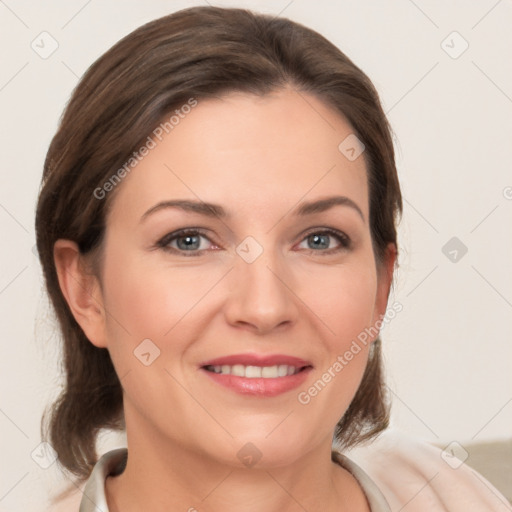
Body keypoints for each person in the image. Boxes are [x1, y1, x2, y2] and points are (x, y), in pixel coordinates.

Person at [35, 6, 510, 511]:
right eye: (189, 240)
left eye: (320, 240)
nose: (264, 308)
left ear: (381, 285)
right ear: (85, 290)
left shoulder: (459, 495)